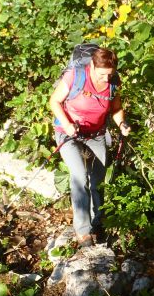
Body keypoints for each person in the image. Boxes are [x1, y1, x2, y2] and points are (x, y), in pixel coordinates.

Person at [48, 46, 131, 247]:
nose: (106, 78)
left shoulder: (113, 82)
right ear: (92, 65)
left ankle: (98, 223)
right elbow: (54, 101)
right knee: (79, 176)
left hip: (96, 135)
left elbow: (116, 108)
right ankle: (83, 232)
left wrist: (121, 124)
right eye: (102, 74)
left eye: (110, 74)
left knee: (98, 181)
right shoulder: (75, 76)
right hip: (68, 133)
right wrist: (67, 125)